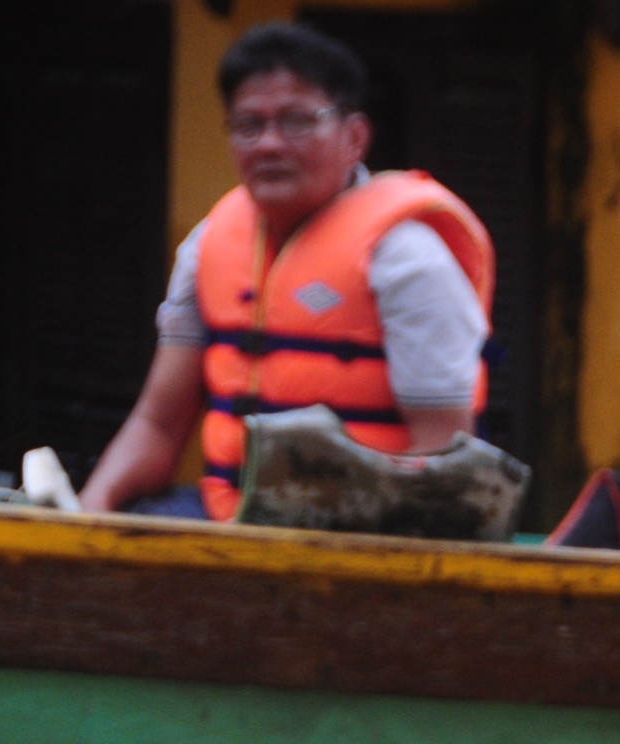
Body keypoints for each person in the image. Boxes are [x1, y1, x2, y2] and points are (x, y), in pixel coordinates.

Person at [81, 23, 493, 521]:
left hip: (363, 537)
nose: (269, 145)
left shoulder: (408, 261)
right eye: (249, 126)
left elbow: (444, 455)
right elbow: (159, 424)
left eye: (297, 121)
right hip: (223, 518)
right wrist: (88, 513)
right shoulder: (207, 246)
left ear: (355, 137)